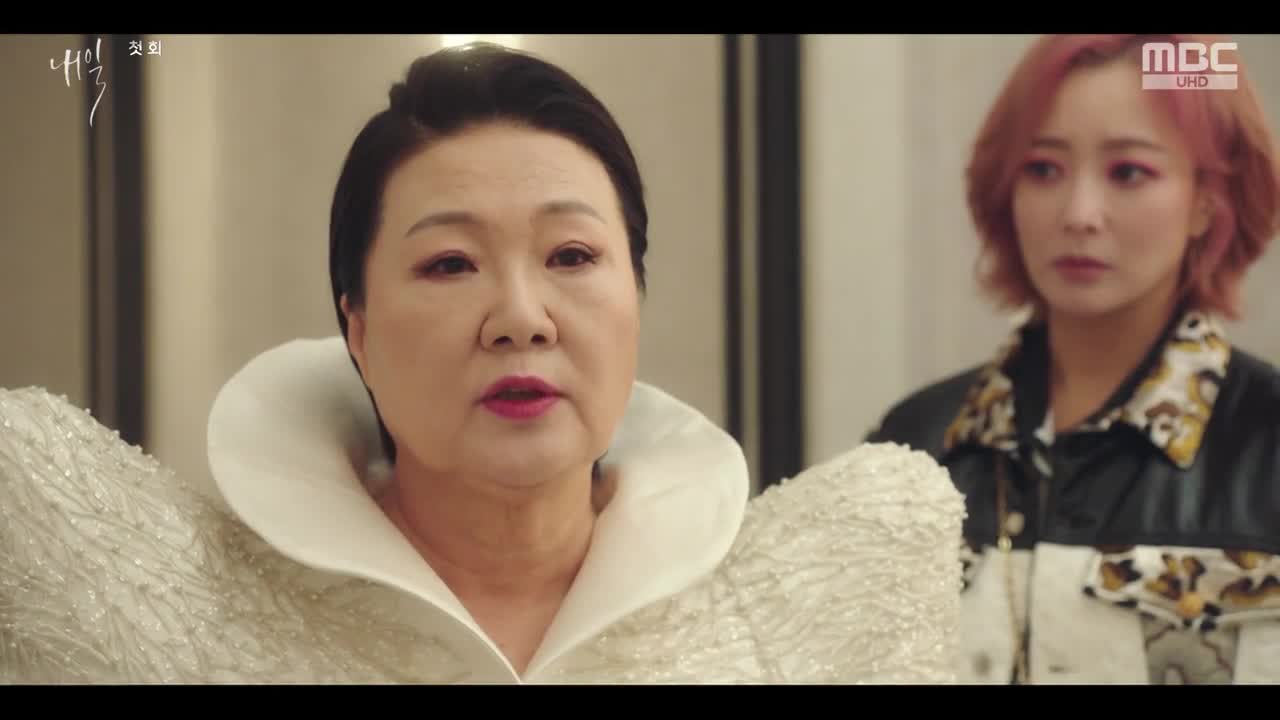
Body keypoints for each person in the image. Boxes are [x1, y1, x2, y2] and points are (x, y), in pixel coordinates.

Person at [0, 42, 965, 684]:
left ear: (636, 297)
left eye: (572, 256)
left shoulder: (800, 615)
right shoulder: (180, 618)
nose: (520, 319)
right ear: (358, 330)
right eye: (450, 264)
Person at [867, 34, 1280, 685]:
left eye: (1128, 173)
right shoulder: (917, 445)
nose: (1079, 214)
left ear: (1208, 200)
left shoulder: (1267, 446)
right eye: (1042, 170)